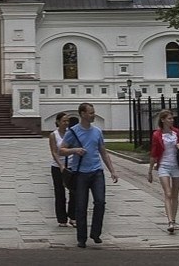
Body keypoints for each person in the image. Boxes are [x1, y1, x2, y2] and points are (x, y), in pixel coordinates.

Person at [60, 102, 118, 248]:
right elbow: (61, 150)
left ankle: (96, 233)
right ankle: (81, 238)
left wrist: (112, 170)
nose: (93, 115)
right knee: (81, 206)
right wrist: (75, 150)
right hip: (80, 174)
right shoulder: (73, 132)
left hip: (97, 171)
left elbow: (103, 151)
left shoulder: (97, 131)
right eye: (91, 113)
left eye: (93, 112)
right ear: (82, 114)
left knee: (100, 202)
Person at [147, 109, 179, 234]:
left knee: (175, 194)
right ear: (162, 120)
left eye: (172, 118)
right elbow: (154, 152)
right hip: (164, 165)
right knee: (168, 193)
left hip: (177, 166)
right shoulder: (157, 134)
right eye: (169, 118)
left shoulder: (176, 132)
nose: (172, 120)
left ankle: (173, 220)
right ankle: (169, 221)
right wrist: (150, 171)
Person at [47, 112, 76, 227]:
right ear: (58, 122)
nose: (66, 123)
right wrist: (60, 165)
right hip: (57, 167)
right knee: (60, 193)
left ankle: (73, 216)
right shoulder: (53, 135)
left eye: (67, 121)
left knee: (74, 192)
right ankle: (62, 219)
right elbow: (54, 151)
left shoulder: (71, 133)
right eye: (64, 121)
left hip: (71, 166)